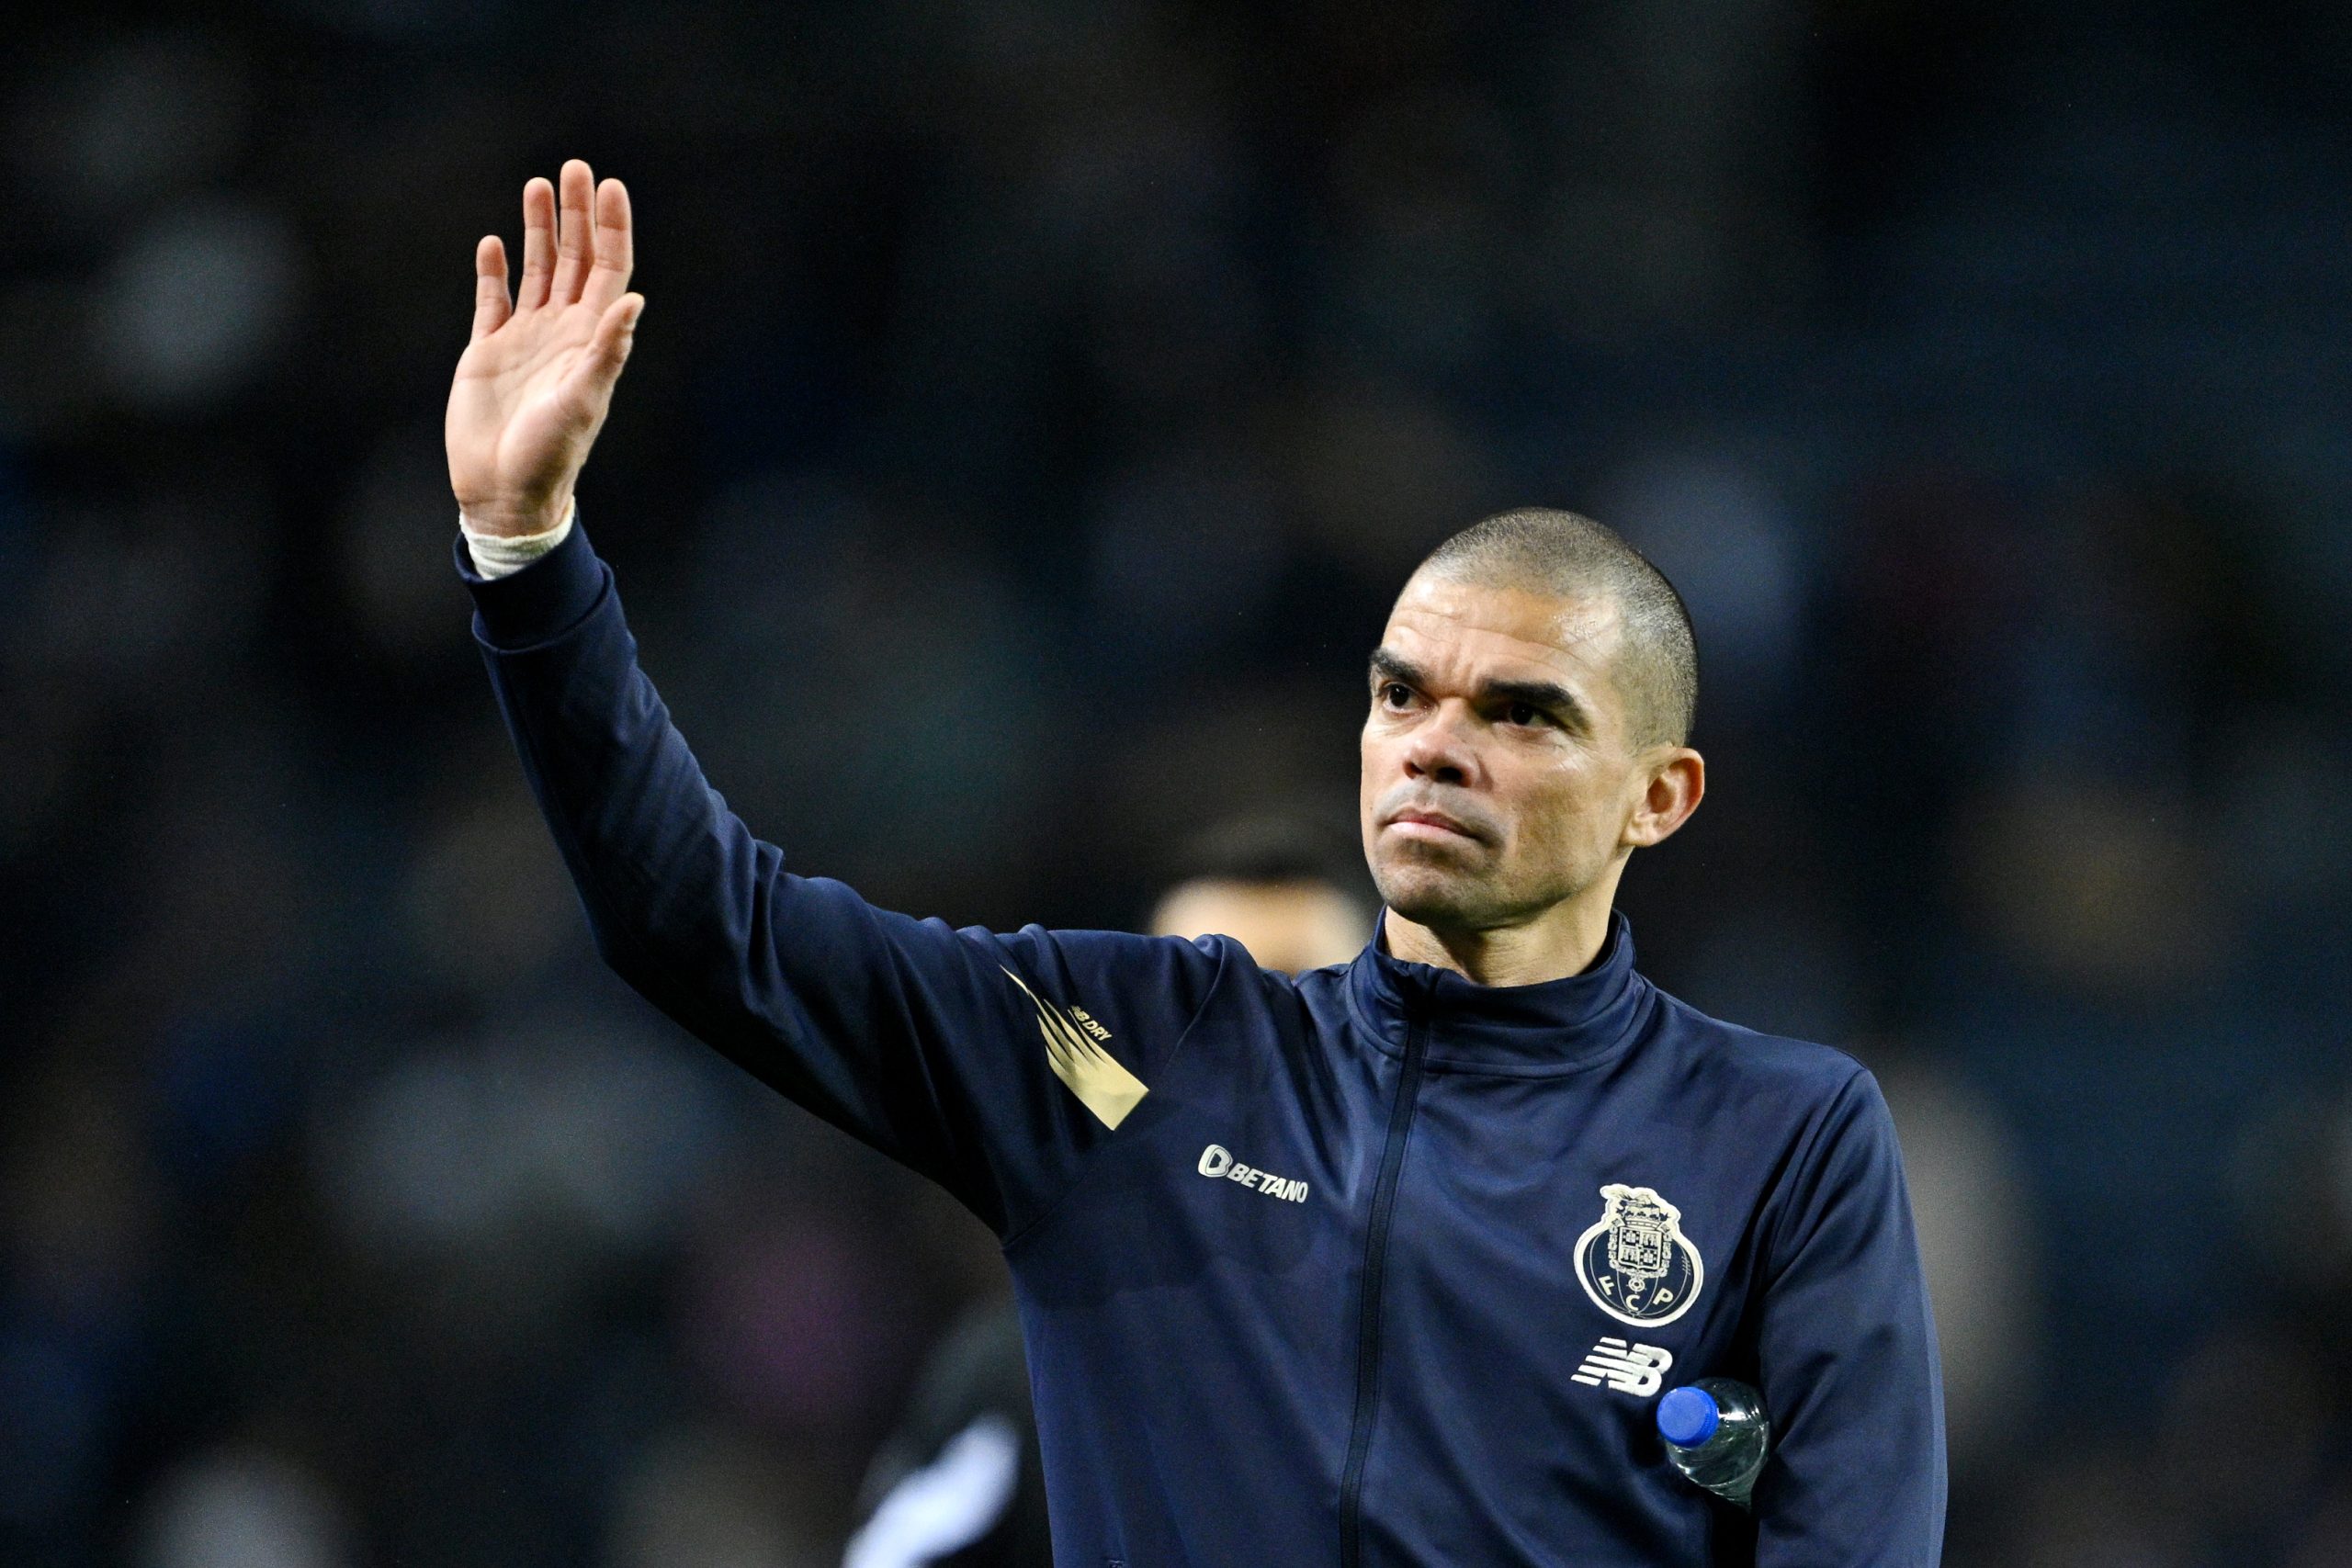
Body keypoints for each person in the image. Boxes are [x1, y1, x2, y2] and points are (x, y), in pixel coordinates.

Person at [444, 161, 1946, 1565]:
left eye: (1522, 712)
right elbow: (705, 922)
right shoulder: (1129, 1059)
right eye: (1402, 694)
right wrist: (528, 556)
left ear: (1658, 797)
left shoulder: (1782, 1138)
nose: (1436, 745)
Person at [843, 821, 1374, 1568]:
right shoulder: (1033, 1374)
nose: (1246, 1047)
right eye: (1193, 1001)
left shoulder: (1487, 1334)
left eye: (1295, 993)